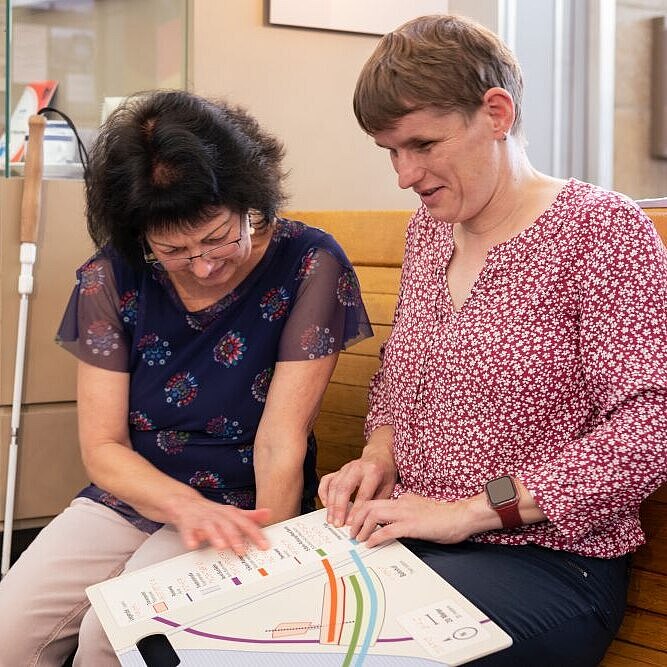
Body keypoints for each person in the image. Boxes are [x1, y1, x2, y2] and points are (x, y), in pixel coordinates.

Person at [319, 14, 667, 666]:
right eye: (390, 151)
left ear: (496, 112)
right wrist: (378, 454)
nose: (403, 173)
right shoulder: (428, 231)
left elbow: (646, 431)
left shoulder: (601, 230)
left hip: (550, 562)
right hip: (415, 537)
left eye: (421, 144)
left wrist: (470, 512)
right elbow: (400, 378)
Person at [0, 89, 372, 665]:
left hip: (244, 502)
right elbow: (103, 447)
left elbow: (279, 443)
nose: (203, 264)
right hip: (134, 490)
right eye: (172, 249)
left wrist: (267, 554)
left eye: (219, 237)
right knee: (8, 632)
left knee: (113, 636)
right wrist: (181, 505)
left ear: (249, 197)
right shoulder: (112, 276)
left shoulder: (308, 263)